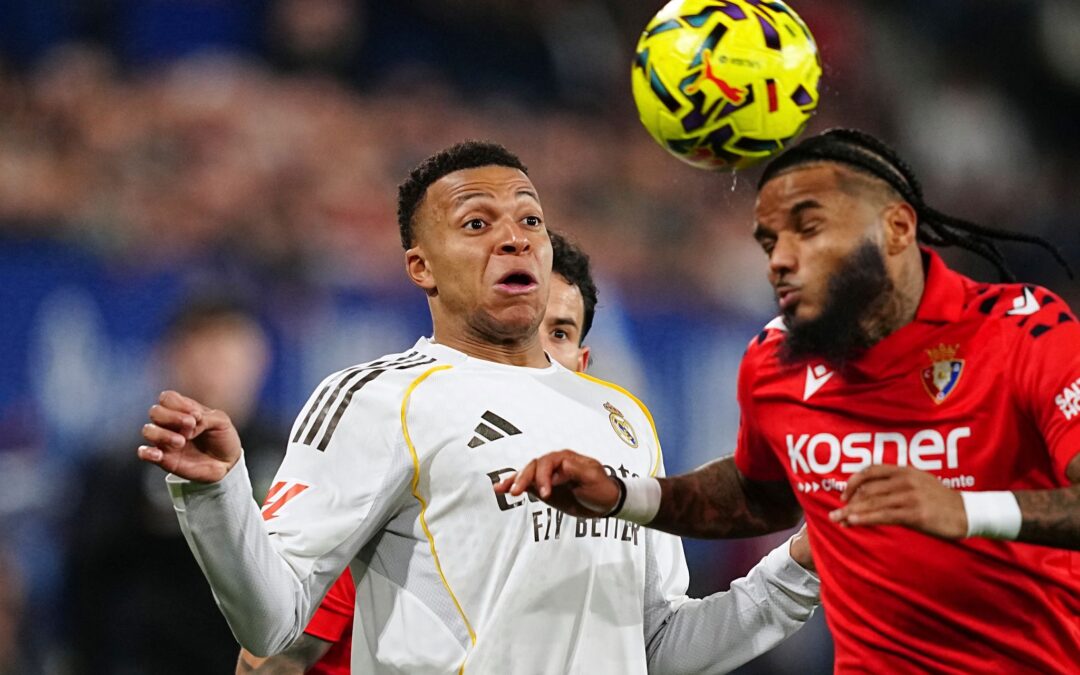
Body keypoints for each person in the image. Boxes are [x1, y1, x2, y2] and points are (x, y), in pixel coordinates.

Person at [139, 141, 821, 674]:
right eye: (476, 222)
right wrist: (217, 496)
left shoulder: (622, 419)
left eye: (530, 219)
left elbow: (657, 644)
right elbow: (272, 626)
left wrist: (797, 568)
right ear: (421, 266)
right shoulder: (379, 398)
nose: (515, 237)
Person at [503, 129, 1080, 673]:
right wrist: (629, 495)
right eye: (769, 240)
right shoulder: (778, 359)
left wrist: (968, 511)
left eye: (809, 229)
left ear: (897, 228)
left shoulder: (1023, 333)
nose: (779, 258)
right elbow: (763, 492)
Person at [235, 230, 601, 674]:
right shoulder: (407, 465)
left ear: (582, 366)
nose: (535, 351)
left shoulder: (610, 508)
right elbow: (271, 661)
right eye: (519, 326)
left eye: (558, 333)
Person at [66, 296, 281, 675]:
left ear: (259, 358)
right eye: (202, 348)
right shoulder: (125, 464)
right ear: (170, 357)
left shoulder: (292, 457)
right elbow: (86, 589)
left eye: (229, 350)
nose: (216, 367)